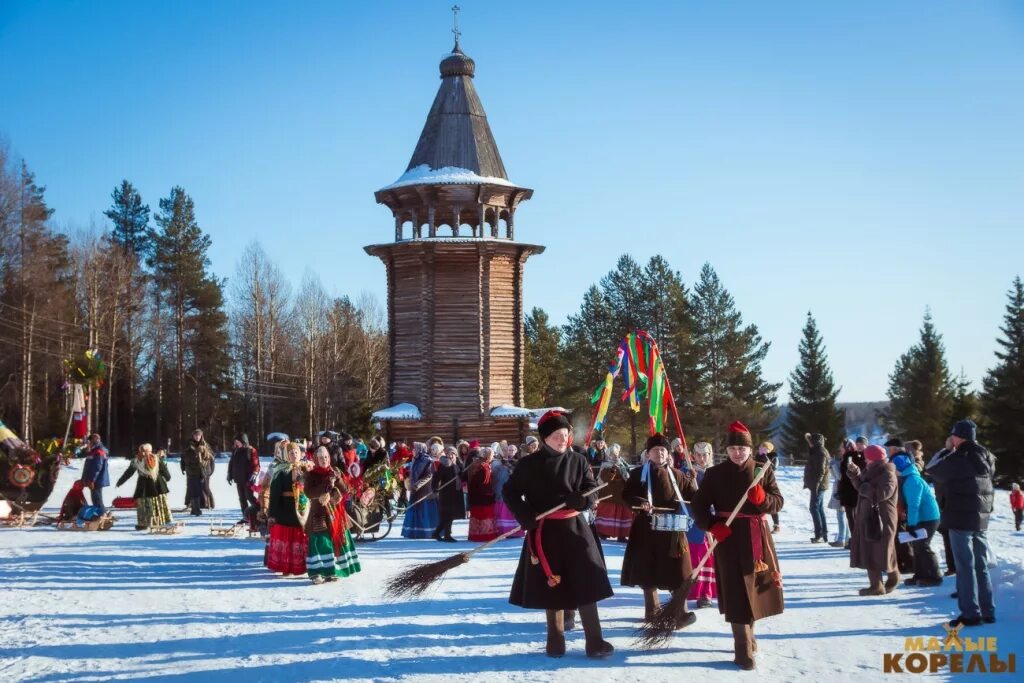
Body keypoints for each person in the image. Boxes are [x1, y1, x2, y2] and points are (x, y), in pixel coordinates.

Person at [504, 410, 614, 659]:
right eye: (556, 435)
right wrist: (525, 514)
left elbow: (592, 490)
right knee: (551, 585)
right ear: (544, 438)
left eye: (565, 435)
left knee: (587, 583)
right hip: (544, 532)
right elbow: (509, 492)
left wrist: (582, 499)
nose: (562, 439)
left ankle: (595, 642)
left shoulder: (579, 461)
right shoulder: (528, 464)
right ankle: (555, 641)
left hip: (576, 530)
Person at [691, 421, 784, 671]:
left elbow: (778, 502)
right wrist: (712, 525)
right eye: (732, 448)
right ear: (727, 450)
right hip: (728, 537)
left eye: (742, 449)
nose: (737, 453)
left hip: (757, 537)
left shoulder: (761, 471)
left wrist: (763, 499)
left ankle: (750, 634)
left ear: (750, 449)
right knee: (735, 589)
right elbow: (698, 507)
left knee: (753, 587)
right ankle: (741, 648)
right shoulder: (715, 474)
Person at [621, 433, 698, 627]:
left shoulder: (679, 475)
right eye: (655, 450)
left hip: (673, 531)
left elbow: (694, 498)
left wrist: (696, 486)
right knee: (648, 572)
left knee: (680, 572)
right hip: (646, 529)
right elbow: (627, 496)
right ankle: (652, 612)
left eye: (663, 450)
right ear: (648, 454)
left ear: (668, 453)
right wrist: (640, 503)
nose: (660, 454)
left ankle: (680, 613)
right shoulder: (638, 474)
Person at [926, 419, 996, 627]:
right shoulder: (988, 455)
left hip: (960, 517)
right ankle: (988, 610)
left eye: (953, 436)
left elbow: (931, 469)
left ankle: (970, 614)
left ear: (958, 437)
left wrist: (946, 450)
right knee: (981, 566)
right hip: (981, 516)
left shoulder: (958, 457)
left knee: (965, 566)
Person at [847, 444, 899, 595]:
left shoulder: (888, 474)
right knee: (873, 549)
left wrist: (864, 487)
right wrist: (855, 475)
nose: (865, 461)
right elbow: (861, 487)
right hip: (869, 517)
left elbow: (881, 494)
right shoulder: (870, 472)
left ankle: (880, 585)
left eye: (867, 458)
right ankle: (883, 582)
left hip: (882, 518)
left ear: (873, 459)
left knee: (881, 550)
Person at [304, 446, 360, 584]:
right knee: (320, 542)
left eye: (326, 457)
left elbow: (346, 489)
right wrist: (327, 484)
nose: (324, 460)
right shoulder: (311, 474)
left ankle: (333, 571)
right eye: (321, 458)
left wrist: (338, 479)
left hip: (336, 512)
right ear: (316, 459)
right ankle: (317, 573)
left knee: (337, 540)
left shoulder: (335, 471)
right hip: (319, 513)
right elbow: (309, 493)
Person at [891, 453, 942, 587]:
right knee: (917, 546)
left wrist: (911, 525)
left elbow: (914, 505)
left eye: (893, 467)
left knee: (923, 546)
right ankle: (919, 575)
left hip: (929, 518)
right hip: (922, 517)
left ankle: (935, 576)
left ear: (899, 467)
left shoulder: (912, 481)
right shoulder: (907, 478)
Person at [266, 442, 309, 576]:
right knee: (287, 538)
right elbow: (274, 493)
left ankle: (301, 566)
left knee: (299, 536)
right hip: (285, 509)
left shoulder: (305, 469)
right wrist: (272, 513)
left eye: (296, 452)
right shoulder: (281, 470)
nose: (294, 455)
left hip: (302, 509)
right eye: (291, 453)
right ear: (286, 455)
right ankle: (286, 567)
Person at [686, 441, 717, 607]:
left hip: (713, 521)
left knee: (710, 557)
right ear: (693, 455)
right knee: (695, 557)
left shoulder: (717, 473)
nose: (702, 458)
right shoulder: (688, 472)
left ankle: (706, 594)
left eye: (705, 454)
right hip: (695, 523)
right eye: (698, 454)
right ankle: (693, 591)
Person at [116, 443, 173, 530]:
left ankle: (149, 523)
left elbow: (129, 472)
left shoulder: (144, 460)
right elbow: (129, 472)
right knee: (147, 504)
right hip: (152, 485)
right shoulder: (147, 459)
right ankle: (147, 523)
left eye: (145, 451)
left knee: (148, 504)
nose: (144, 453)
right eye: (143, 451)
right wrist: (120, 481)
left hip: (148, 485)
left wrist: (120, 481)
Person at [594, 444, 633, 542]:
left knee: (622, 513)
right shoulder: (605, 465)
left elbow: (627, 476)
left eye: (616, 453)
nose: (615, 456)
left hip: (621, 495)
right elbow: (606, 479)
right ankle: (603, 532)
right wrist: (613, 469)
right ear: (608, 454)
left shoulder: (622, 464)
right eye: (612, 453)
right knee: (607, 512)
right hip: (608, 494)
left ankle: (621, 534)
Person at [401, 443, 440, 539]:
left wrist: (417, 485)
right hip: (415, 490)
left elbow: (429, 475)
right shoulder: (415, 459)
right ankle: (413, 532)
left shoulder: (427, 460)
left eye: (414, 449)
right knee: (415, 510)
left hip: (425, 491)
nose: (413, 451)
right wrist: (409, 481)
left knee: (425, 512)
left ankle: (427, 532)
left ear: (420, 449)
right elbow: (413, 473)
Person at [838, 437, 867, 547]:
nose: (840, 449)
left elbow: (845, 474)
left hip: (852, 492)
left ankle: (856, 541)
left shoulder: (850, 457)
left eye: (842, 447)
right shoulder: (851, 456)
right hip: (851, 491)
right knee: (852, 518)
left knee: (853, 518)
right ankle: (855, 540)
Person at [466, 445, 499, 542]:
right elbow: (484, 484)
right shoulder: (484, 467)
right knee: (485, 515)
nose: (492, 457)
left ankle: (475, 535)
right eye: (492, 455)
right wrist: (490, 494)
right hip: (483, 497)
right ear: (488, 456)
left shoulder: (475, 464)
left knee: (477, 516)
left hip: (474, 496)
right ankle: (486, 536)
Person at [432, 447, 464, 542]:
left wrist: (461, 474)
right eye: (449, 453)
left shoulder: (458, 464)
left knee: (450, 515)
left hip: (456, 492)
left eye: (453, 453)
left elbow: (463, 476)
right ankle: (446, 535)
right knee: (448, 515)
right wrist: (435, 488)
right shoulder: (445, 464)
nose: (451, 455)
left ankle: (437, 533)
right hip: (446, 493)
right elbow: (436, 478)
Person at [803, 433, 830, 543]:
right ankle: (823, 533)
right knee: (818, 508)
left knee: (814, 508)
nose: (809, 444)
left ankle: (819, 534)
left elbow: (821, 470)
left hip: (818, 485)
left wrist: (816, 485)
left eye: (811, 441)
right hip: (816, 484)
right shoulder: (816, 451)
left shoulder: (821, 452)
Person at [491, 447, 522, 538]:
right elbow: (496, 478)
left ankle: (515, 532)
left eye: (513, 450)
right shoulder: (498, 463)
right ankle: (503, 531)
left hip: (513, 491)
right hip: (501, 490)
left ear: (516, 451)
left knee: (512, 512)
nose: (511, 452)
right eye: (509, 450)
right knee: (503, 512)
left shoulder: (517, 462)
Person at [181, 430, 214, 516]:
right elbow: (183, 457)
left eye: (199, 435)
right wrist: (183, 467)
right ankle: (195, 508)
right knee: (192, 489)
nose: (197, 437)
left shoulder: (205, 445)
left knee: (204, 488)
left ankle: (208, 504)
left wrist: (210, 471)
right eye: (195, 435)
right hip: (192, 471)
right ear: (193, 436)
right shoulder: (188, 445)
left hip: (203, 471)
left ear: (201, 436)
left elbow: (211, 458)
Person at [228, 433, 260, 516]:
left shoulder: (251, 450)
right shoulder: (235, 450)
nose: (236, 443)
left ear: (243, 441)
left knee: (249, 497)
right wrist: (229, 475)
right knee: (242, 499)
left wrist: (254, 473)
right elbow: (231, 464)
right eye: (235, 441)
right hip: (239, 479)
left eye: (237, 441)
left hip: (248, 479)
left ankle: (259, 511)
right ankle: (245, 516)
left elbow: (256, 464)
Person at [80, 433, 110, 515]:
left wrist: (92, 480)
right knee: (96, 499)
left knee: (97, 499)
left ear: (95, 439)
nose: (89, 443)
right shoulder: (94, 451)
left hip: (96, 480)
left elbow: (97, 467)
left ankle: (102, 515)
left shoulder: (98, 451)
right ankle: (101, 514)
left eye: (90, 440)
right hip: (94, 480)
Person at [827, 443, 850, 548]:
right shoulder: (842, 459)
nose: (839, 450)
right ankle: (845, 538)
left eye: (841, 448)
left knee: (841, 515)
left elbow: (840, 477)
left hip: (843, 490)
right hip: (839, 489)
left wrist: (833, 464)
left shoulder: (847, 460)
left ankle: (842, 539)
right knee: (842, 515)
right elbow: (835, 476)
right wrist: (832, 466)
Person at [758, 442, 780, 532]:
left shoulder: (774, 456)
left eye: (764, 448)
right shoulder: (757, 456)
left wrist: (765, 457)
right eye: (761, 447)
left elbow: (773, 468)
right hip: (759, 481)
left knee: (770, 502)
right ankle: (760, 522)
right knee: (759, 502)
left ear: (769, 449)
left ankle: (776, 524)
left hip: (769, 482)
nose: (762, 449)